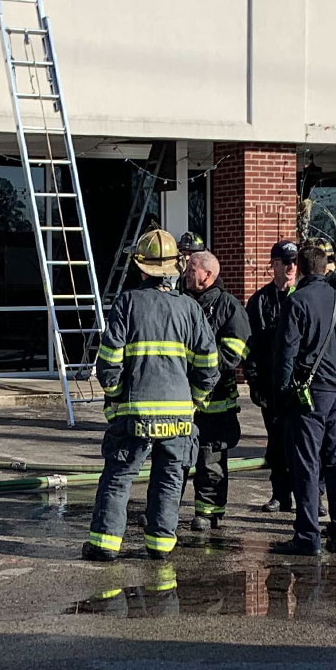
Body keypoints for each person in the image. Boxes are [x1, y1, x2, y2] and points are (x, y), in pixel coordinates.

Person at [85, 229, 219, 562]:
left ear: (141, 267)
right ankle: (160, 545)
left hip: (135, 414)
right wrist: (194, 401)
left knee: (119, 477)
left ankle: (105, 544)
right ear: (175, 266)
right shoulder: (190, 308)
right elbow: (208, 364)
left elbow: (109, 361)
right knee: (169, 479)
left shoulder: (127, 303)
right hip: (179, 418)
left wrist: (116, 396)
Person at [271, 243, 336, 556]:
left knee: (306, 465)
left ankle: (307, 536)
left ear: (302, 269)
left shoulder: (297, 302)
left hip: (310, 395)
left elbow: (286, 352)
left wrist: (281, 393)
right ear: (325, 268)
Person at [180, 250, 250, 530]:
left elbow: (234, 352)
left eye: (191, 269)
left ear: (208, 274)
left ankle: (208, 513)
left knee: (211, 457)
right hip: (181, 397)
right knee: (175, 457)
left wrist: (199, 365)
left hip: (216, 400)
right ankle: (165, 510)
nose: (186, 273)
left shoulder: (228, 306)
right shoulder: (180, 301)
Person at [243, 241, 299, 512]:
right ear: (274, 265)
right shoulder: (259, 301)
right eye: (285, 262)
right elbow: (249, 346)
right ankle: (280, 494)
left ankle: (312, 495)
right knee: (277, 443)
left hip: (300, 385)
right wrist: (254, 382)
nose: (291, 267)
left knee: (305, 444)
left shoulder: (304, 296)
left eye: (295, 262)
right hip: (271, 386)